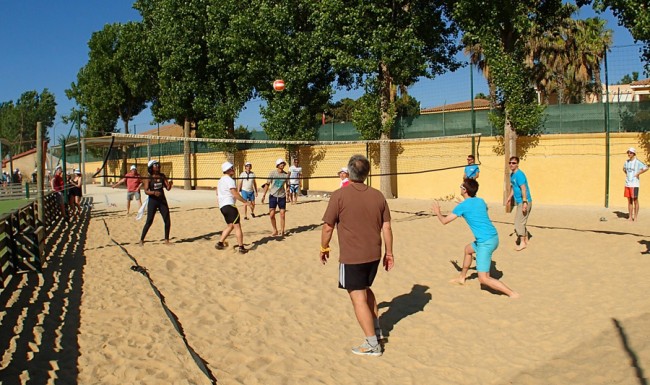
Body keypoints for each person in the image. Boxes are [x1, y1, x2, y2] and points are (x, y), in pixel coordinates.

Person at [320, 154, 394, 357]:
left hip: (353, 256)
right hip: (374, 254)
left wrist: (324, 248)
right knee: (366, 289)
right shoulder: (378, 195)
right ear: (366, 173)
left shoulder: (339, 195)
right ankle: (377, 331)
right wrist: (389, 253)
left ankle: (372, 344)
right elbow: (386, 226)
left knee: (358, 297)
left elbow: (328, 227)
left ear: (349, 172)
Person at [432, 179, 519, 298]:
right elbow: (481, 211)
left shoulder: (462, 206)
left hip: (485, 242)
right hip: (494, 237)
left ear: (464, 190)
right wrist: (464, 208)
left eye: (461, 186)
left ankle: (512, 293)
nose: (460, 188)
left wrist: (438, 212)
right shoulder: (480, 201)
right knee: (468, 250)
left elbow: (444, 221)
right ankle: (462, 278)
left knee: (483, 279)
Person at [216, 162, 251, 254]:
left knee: (230, 226)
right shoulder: (230, 180)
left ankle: (220, 243)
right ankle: (241, 247)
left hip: (222, 207)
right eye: (232, 168)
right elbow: (235, 193)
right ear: (227, 170)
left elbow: (217, 193)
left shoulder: (220, 180)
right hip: (230, 206)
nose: (233, 169)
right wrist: (245, 202)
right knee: (237, 226)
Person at [139, 160, 173, 245]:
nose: (157, 166)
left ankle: (166, 240)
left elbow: (167, 188)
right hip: (153, 201)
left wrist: (170, 184)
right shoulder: (148, 178)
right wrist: (154, 193)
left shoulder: (162, 176)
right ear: (151, 167)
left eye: (158, 164)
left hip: (162, 200)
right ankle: (141, 239)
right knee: (149, 221)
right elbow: (146, 191)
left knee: (167, 220)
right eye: (155, 165)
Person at [506, 156, 532, 251]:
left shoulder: (520, 175)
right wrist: (509, 197)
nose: (511, 165)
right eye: (510, 163)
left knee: (518, 222)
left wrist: (525, 202)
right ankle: (525, 239)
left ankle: (522, 243)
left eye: (513, 163)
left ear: (517, 164)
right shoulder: (512, 175)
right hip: (520, 202)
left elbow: (523, 189)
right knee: (521, 221)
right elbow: (514, 187)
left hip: (524, 201)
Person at [261, 158, 289, 236]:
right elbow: (267, 184)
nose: (282, 165)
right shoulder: (272, 173)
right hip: (273, 195)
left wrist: (288, 193)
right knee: (272, 214)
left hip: (282, 196)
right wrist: (263, 195)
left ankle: (282, 230)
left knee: (282, 213)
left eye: (283, 163)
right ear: (277, 165)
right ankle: (275, 230)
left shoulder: (286, 175)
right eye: (281, 163)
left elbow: (287, 185)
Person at [623, 147, 648, 221]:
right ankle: (630, 217)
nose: (629, 154)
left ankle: (635, 217)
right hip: (627, 184)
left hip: (634, 184)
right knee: (629, 200)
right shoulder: (626, 162)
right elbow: (624, 169)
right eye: (628, 152)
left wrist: (638, 174)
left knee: (635, 200)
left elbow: (646, 168)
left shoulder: (637, 162)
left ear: (634, 154)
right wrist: (627, 175)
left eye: (630, 153)